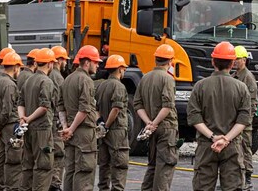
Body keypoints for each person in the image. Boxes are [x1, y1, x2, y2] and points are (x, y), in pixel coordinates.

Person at [188, 41, 251, 191]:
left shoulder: (200, 86)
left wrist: (212, 137)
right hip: (232, 146)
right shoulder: (241, 88)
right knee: (233, 187)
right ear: (232, 63)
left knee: (202, 187)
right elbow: (243, 119)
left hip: (206, 145)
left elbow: (194, 117)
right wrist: (226, 139)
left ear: (212, 61)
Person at [133, 44, 179, 191]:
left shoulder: (145, 78)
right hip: (166, 128)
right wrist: (155, 123)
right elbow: (167, 106)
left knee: (152, 166)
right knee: (165, 166)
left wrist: (149, 123)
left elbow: (137, 104)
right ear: (170, 61)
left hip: (151, 129)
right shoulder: (168, 79)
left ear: (155, 59)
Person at [58, 45, 102, 191]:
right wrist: (71, 128)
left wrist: (66, 127)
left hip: (70, 133)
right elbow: (84, 109)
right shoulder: (86, 80)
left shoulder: (67, 80)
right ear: (87, 62)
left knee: (70, 170)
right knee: (84, 172)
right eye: (96, 62)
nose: (97, 66)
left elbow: (61, 107)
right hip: (83, 133)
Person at [18, 48, 57, 190]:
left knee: (27, 165)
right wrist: (28, 118)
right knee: (43, 167)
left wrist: (22, 118)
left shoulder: (28, 80)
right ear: (49, 64)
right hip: (42, 130)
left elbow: (20, 103)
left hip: (29, 130)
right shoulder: (46, 81)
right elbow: (44, 107)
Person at [95, 54, 130, 191]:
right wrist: (108, 126)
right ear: (120, 69)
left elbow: (96, 109)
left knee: (104, 164)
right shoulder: (119, 87)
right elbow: (116, 109)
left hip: (104, 132)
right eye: (124, 69)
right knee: (119, 166)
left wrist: (101, 124)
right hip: (116, 131)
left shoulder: (102, 86)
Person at [0, 51, 23, 191]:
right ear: (15, 67)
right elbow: (7, 110)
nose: (19, 71)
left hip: (1, 125)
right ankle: (11, 187)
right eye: (19, 68)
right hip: (8, 126)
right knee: (14, 161)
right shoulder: (10, 85)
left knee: (0, 158)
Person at [233, 45, 258, 190]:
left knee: (245, 149)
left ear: (244, 60)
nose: (235, 61)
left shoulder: (247, 77)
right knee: (236, 151)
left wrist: (246, 121)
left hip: (243, 122)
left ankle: (247, 180)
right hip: (235, 121)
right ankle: (237, 181)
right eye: (234, 59)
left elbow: (252, 102)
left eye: (238, 59)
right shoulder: (235, 76)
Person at [49, 45, 69, 191]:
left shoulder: (46, 75)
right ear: (58, 60)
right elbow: (61, 102)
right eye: (64, 60)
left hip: (46, 122)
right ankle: (54, 184)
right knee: (58, 153)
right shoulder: (58, 78)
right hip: (55, 123)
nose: (66, 63)